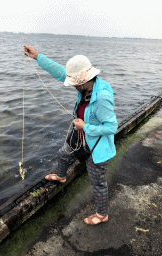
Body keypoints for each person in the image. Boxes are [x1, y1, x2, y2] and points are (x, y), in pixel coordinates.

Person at [24, 45, 118, 225]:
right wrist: (38, 57)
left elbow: (112, 127)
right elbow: (61, 72)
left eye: (74, 83)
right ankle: (61, 176)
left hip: (96, 146)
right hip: (79, 136)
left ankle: (102, 214)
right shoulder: (85, 87)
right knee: (63, 154)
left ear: (82, 82)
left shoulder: (102, 97)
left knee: (97, 182)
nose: (71, 85)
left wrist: (86, 126)